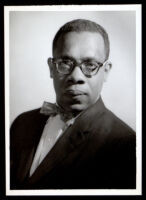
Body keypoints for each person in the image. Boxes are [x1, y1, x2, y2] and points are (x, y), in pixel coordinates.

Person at [10, 19, 136, 189]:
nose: (76, 76)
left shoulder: (124, 144)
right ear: (51, 68)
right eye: (65, 63)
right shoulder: (22, 124)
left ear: (106, 71)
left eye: (90, 65)